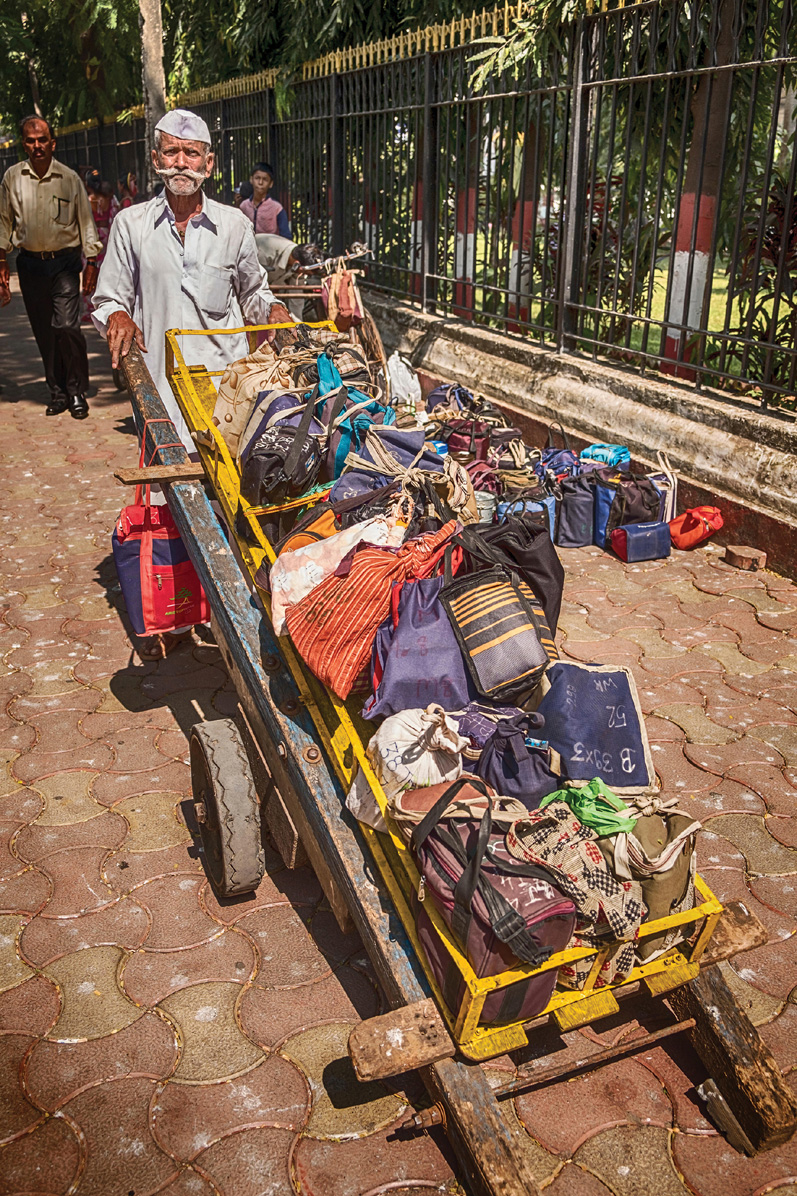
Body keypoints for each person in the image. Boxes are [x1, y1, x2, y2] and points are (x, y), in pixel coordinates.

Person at [91, 108, 292, 658]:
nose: (182, 162)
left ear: (209, 162)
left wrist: (271, 310)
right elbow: (107, 295)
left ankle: (229, 605)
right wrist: (116, 316)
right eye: (171, 152)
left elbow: (254, 295)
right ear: (156, 159)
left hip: (226, 395)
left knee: (229, 495)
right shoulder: (132, 225)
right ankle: (177, 608)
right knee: (171, 499)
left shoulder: (234, 226)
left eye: (192, 153)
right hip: (160, 389)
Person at [0, 115, 102, 419]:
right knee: (45, 331)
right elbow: (4, 222)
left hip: (65, 264)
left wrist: (92, 261)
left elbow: (86, 220)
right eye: (30, 141)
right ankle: (57, 393)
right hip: (30, 265)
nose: (37, 146)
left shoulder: (69, 178)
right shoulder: (12, 178)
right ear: (24, 145)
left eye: (42, 139)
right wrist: (1, 262)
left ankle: (76, 390)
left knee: (67, 327)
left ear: (52, 142)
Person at [240, 162, 291, 237]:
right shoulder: (244, 206)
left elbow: (286, 235)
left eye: (265, 179)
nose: (260, 182)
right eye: (257, 178)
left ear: (271, 184)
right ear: (251, 179)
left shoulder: (277, 208)